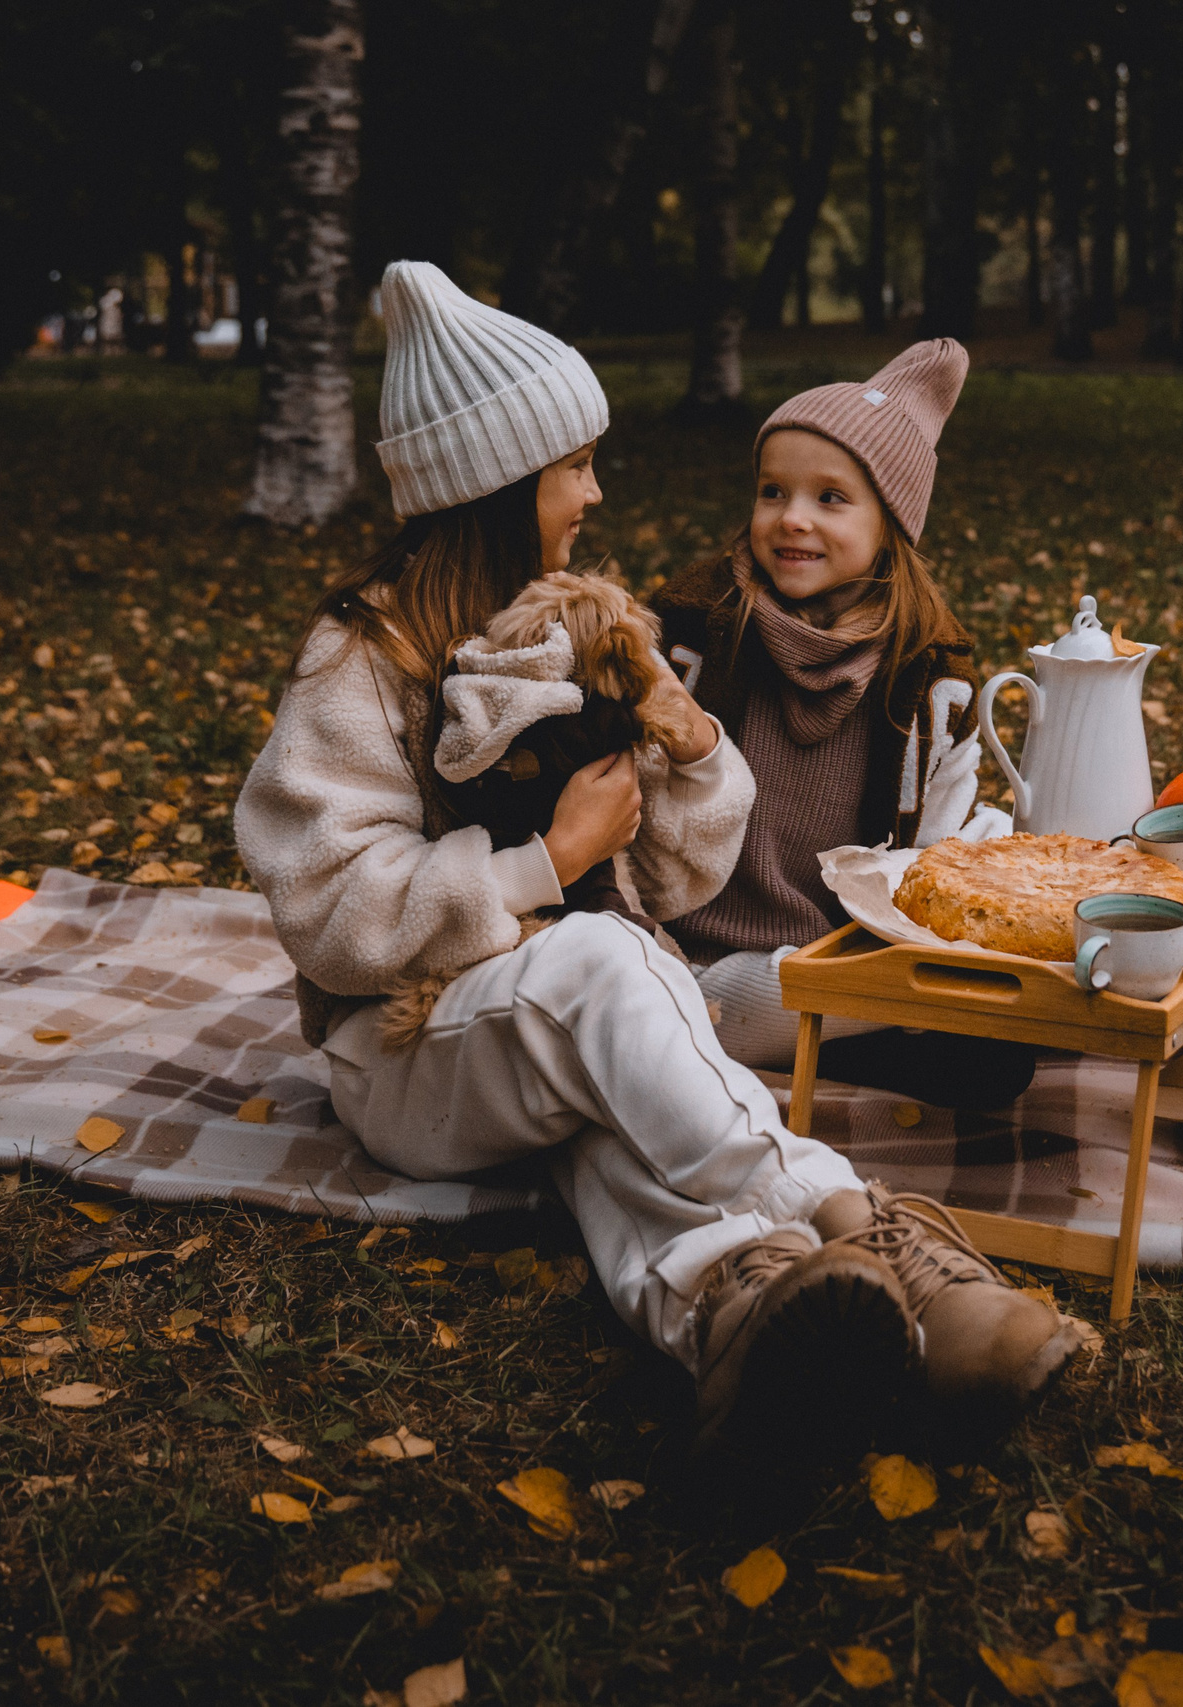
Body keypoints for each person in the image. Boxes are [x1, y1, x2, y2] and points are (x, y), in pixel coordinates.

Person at [234, 263, 1079, 1467]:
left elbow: (679, 883)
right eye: (574, 465)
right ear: (498, 481)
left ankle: (738, 1314)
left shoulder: (567, 623)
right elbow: (328, 912)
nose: (594, 490)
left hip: (540, 1043)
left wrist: (686, 755)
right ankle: (872, 1230)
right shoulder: (359, 660)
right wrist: (541, 862)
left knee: (625, 1090)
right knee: (609, 968)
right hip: (406, 1058)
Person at [656, 339, 1037, 1110]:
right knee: (666, 1002)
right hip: (685, 955)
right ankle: (725, 1039)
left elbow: (933, 859)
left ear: (891, 523)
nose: (792, 518)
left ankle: (797, 1044)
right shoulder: (693, 632)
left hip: (844, 959)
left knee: (1002, 1056)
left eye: (831, 498)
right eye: (772, 491)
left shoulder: (932, 681)